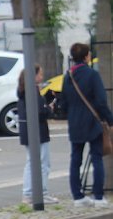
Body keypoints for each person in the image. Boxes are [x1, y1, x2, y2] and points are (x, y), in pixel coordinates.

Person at [59, 42, 113, 207]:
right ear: (86, 56)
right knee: (97, 158)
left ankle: (77, 196)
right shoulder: (92, 75)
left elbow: (63, 103)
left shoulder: (68, 76)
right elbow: (101, 102)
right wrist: (110, 120)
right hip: (92, 122)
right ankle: (98, 196)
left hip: (75, 123)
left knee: (75, 159)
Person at [17, 65, 57, 205]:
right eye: (40, 74)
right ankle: (42, 192)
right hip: (38, 131)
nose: (42, 77)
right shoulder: (33, 91)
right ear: (33, 76)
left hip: (27, 131)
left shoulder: (23, 91)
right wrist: (49, 109)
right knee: (43, 163)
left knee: (31, 162)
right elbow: (40, 112)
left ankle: (28, 193)